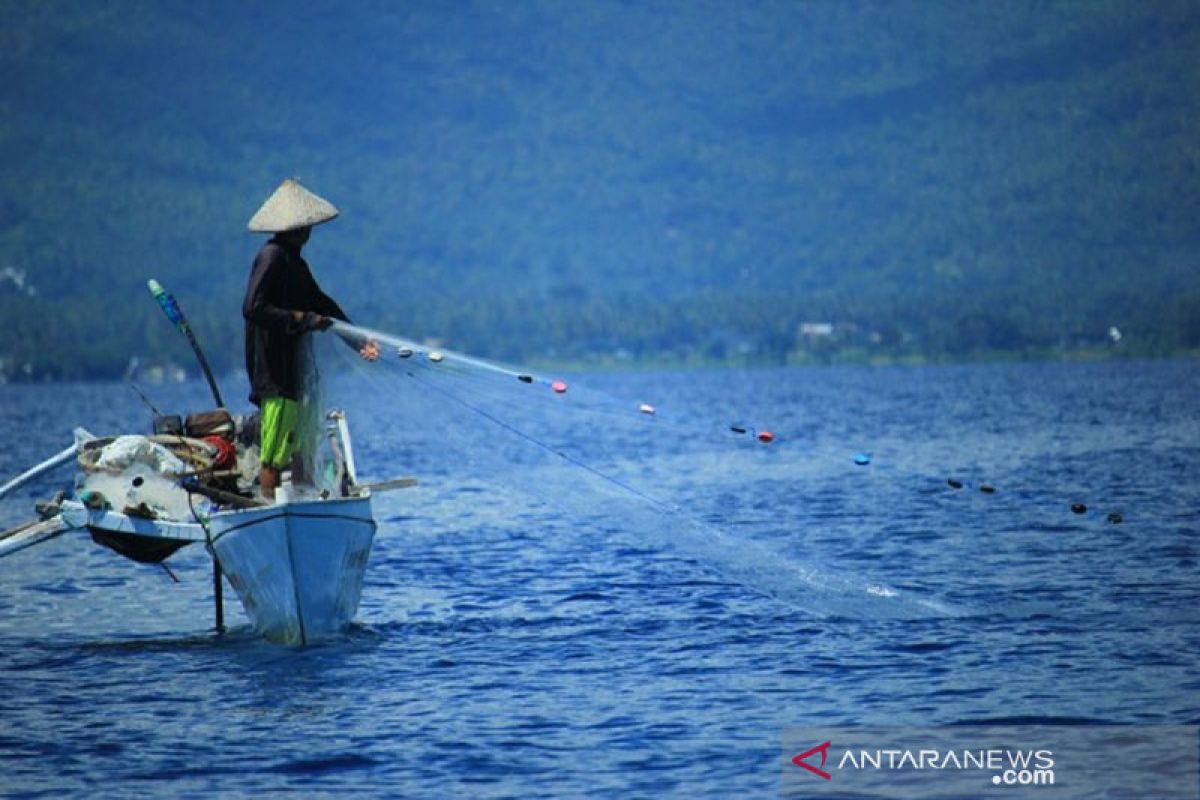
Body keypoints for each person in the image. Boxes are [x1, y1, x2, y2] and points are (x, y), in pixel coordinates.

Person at [242, 178, 379, 500]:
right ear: (296, 228)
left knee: (302, 444)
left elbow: (321, 303)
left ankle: (304, 501)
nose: (310, 231)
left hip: (295, 370)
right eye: (307, 225)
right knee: (274, 454)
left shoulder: (295, 262)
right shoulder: (272, 257)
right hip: (273, 372)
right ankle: (271, 507)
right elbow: (253, 308)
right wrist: (300, 319)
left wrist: (358, 340)